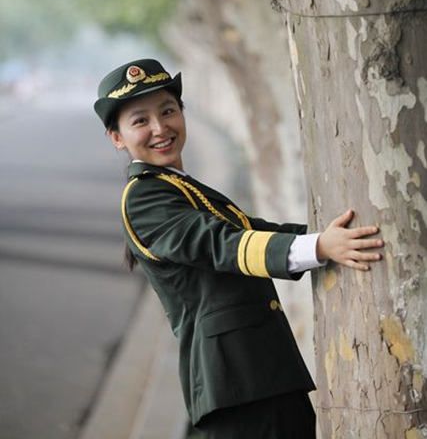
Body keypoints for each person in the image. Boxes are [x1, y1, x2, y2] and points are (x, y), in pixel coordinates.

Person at [94, 58, 384, 439]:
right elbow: (222, 244)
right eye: (140, 121)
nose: (160, 128)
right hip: (237, 384)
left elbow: (250, 229)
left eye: (167, 111)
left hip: (261, 375)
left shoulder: (178, 185)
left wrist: (325, 237)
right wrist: (319, 246)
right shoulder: (143, 197)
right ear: (117, 137)